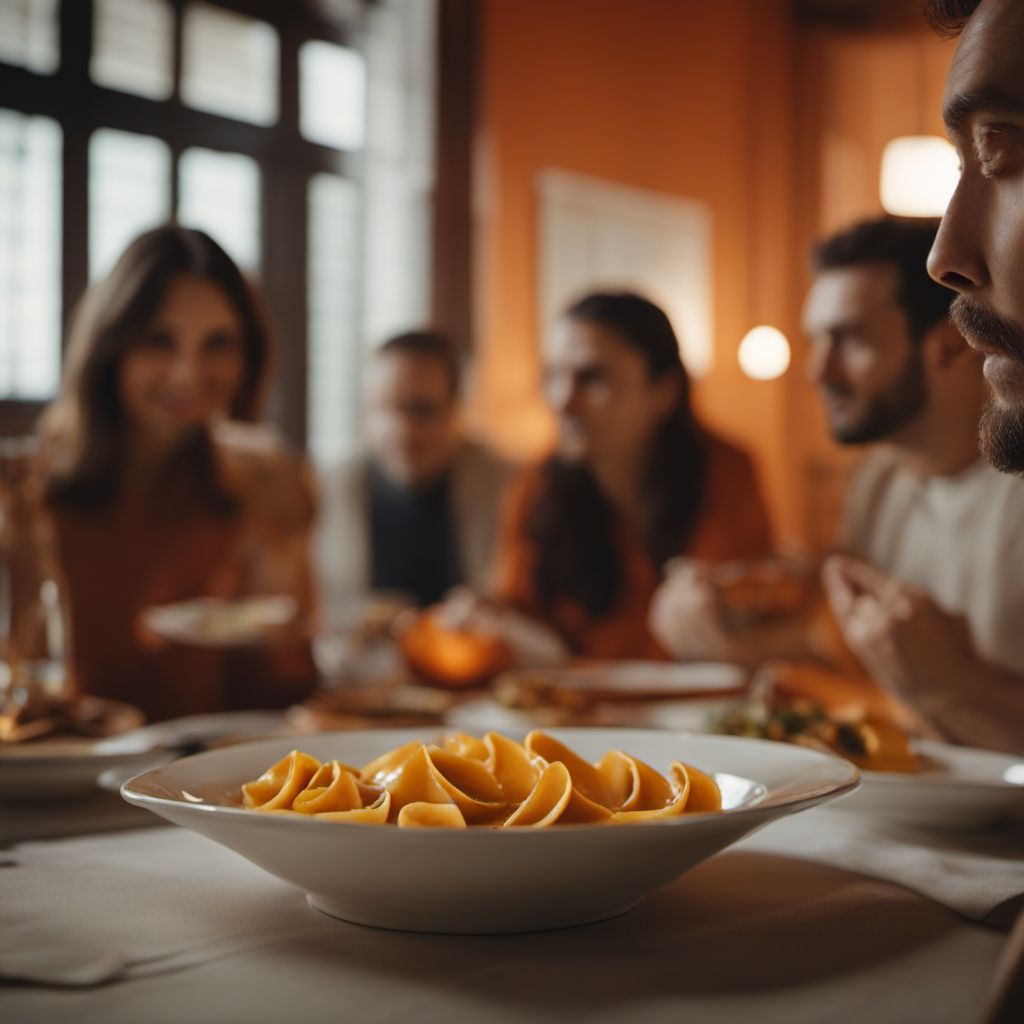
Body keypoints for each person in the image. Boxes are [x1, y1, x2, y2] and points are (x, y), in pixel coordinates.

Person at [653, 214, 1024, 751]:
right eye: (815, 341)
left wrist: (956, 686)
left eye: (846, 339)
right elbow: (847, 659)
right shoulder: (877, 482)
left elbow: (924, 680)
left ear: (951, 346)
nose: (817, 371)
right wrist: (721, 615)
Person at [23, 225, 317, 722]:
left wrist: (279, 555)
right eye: (159, 341)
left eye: (218, 343)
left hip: (195, 787)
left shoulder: (251, 487)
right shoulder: (31, 495)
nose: (188, 374)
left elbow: (282, 696)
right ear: (111, 347)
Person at [493, 290, 773, 661]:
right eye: (553, 375)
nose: (562, 400)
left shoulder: (724, 473)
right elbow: (516, 612)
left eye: (591, 378)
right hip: (571, 713)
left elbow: (735, 620)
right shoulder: (536, 487)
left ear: (664, 392)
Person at [314, 331, 517, 620]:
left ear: (455, 409)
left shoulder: (507, 485)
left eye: (422, 410)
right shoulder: (329, 489)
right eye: (387, 408)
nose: (404, 430)